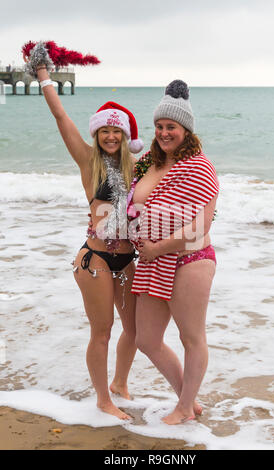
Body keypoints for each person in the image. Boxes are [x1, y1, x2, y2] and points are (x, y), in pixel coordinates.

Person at [23, 43, 144, 420]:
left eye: (116, 132)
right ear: (97, 134)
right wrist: (43, 75)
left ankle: (120, 384)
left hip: (127, 258)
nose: (110, 136)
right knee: (102, 331)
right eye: (105, 131)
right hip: (94, 259)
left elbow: (172, 154)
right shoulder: (87, 159)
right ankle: (102, 399)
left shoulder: (136, 167)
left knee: (136, 330)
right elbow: (62, 119)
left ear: (125, 137)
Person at [127, 80, 219, 425]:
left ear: (186, 129)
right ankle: (188, 398)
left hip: (190, 259)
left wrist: (158, 247)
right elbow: (131, 202)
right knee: (146, 339)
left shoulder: (198, 165)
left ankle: (184, 408)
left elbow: (201, 225)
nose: (165, 132)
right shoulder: (149, 161)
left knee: (191, 337)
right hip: (152, 260)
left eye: (172, 127)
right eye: (160, 126)